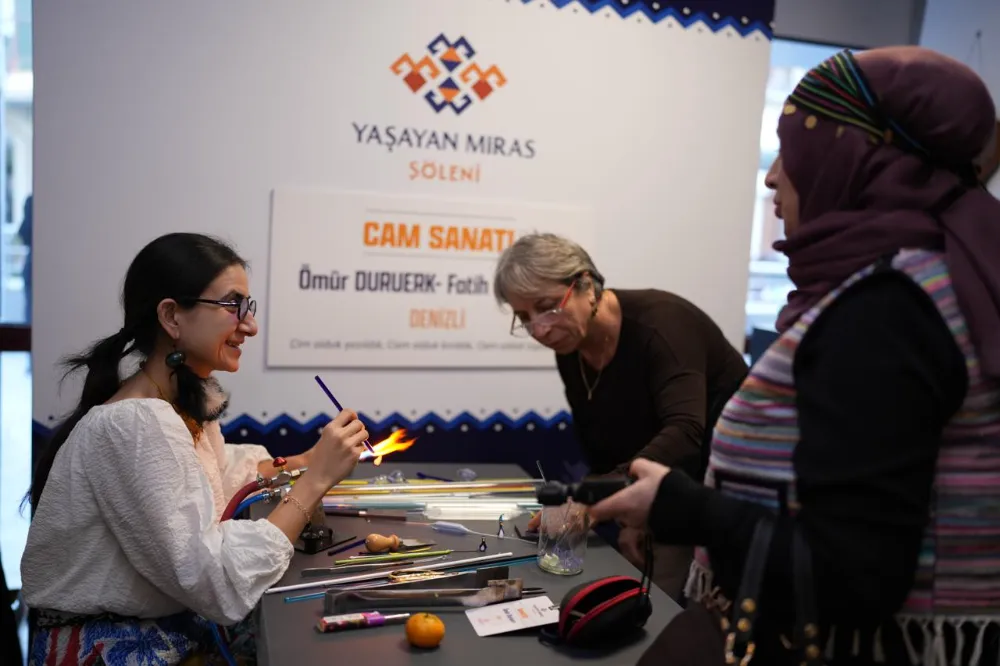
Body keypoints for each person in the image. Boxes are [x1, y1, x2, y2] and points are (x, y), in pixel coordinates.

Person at [589, 46, 1000, 665]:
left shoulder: (888, 310)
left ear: (849, 158)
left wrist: (679, 506)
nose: (772, 176)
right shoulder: (937, 281)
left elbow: (852, 574)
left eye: (792, 150)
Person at [21, 232, 370, 664]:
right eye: (232, 305)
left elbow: (214, 478)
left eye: (248, 306)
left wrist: (308, 460)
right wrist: (314, 480)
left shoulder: (175, 405)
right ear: (171, 316)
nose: (250, 325)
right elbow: (213, 580)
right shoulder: (136, 424)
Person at [493, 233, 748, 599]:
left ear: (586, 285)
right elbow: (600, 440)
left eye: (547, 307)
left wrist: (597, 501)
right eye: (524, 318)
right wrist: (626, 513)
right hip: (659, 486)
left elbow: (686, 431)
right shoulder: (571, 345)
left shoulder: (663, 326)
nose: (540, 329)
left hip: (719, 490)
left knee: (664, 606)